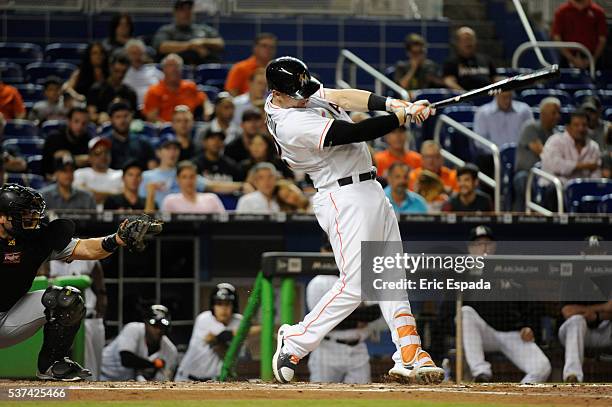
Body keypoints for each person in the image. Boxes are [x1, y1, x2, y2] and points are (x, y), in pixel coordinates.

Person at [263, 56, 442, 384]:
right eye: (297, 93)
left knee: (391, 275)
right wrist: (398, 119)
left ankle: (409, 351)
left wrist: (393, 103)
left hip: (369, 188)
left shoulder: (297, 91)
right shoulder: (289, 123)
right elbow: (352, 131)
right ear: (277, 93)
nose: (305, 95)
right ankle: (296, 339)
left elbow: (343, 98)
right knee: (357, 284)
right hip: (342, 196)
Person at [0, 183, 161, 380]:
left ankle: (51, 365)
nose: (30, 217)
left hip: (10, 316)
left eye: (32, 212)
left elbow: (86, 248)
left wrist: (117, 239)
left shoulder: (37, 238)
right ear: (1, 217)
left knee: (67, 299)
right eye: (23, 213)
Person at [461, 225, 551, 384]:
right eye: (478, 244)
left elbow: (531, 305)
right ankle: (481, 373)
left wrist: (530, 326)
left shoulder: (509, 268)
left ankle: (519, 396)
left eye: (487, 243)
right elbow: (447, 312)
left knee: (542, 367)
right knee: (466, 312)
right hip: (482, 334)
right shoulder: (463, 274)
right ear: (470, 249)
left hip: (512, 333)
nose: (483, 248)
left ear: (494, 246)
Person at [306, 242, 381, 383]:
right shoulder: (318, 282)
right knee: (321, 399)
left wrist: (338, 315)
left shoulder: (362, 278)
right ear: (322, 250)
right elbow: (321, 321)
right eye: (330, 248)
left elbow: (374, 312)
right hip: (327, 349)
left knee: (363, 397)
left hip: (358, 349)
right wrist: (358, 316)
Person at [558, 236, 612, 383]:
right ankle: (572, 376)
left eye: (598, 253)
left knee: (579, 317)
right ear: (582, 254)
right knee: (576, 320)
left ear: (605, 255)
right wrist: (600, 309)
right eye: (591, 252)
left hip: (604, 331)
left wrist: (597, 316)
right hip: (576, 334)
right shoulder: (573, 275)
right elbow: (567, 311)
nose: (595, 256)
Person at [45, 259, 107, 381]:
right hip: (67, 321)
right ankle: (84, 395)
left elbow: (100, 284)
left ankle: (95, 395)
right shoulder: (47, 262)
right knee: (85, 368)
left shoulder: (86, 257)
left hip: (91, 317)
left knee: (96, 366)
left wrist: (101, 303)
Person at [175, 284, 242, 381]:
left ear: (234, 306)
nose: (223, 308)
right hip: (188, 378)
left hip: (213, 381)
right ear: (213, 306)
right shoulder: (205, 319)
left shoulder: (238, 321)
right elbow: (224, 336)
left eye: (227, 303)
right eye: (219, 303)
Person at [100, 305, 178, 381]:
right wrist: (153, 365)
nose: (158, 330)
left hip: (128, 382)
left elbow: (165, 379)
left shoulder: (170, 350)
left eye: (161, 326)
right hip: (103, 375)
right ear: (145, 323)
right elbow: (126, 359)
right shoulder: (133, 329)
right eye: (154, 325)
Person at [513, 97, 561, 211]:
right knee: (523, 180)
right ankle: (522, 217)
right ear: (543, 114)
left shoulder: (557, 134)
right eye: (554, 113)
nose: (558, 116)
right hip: (527, 172)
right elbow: (542, 153)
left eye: (559, 113)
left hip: (548, 174)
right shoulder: (531, 127)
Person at [473, 90, 533, 177]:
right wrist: (500, 153)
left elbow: (530, 135)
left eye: (509, 97)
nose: (507, 101)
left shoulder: (524, 110)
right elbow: (479, 141)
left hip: (519, 157)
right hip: (493, 158)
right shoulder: (483, 113)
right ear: (496, 95)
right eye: (504, 97)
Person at [152, 0, 224, 65]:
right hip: (176, 71)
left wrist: (202, 42)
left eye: (189, 9)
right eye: (182, 9)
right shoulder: (167, 30)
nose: (187, 13)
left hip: (202, 68)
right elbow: (162, 46)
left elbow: (220, 43)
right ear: (175, 12)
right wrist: (190, 45)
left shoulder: (203, 29)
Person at [541, 110, 601, 185]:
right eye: (576, 125)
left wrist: (590, 186)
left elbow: (596, 171)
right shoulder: (555, 141)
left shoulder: (593, 146)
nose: (581, 129)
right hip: (556, 186)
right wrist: (584, 166)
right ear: (568, 127)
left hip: (583, 189)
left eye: (584, 125)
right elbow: (556, 166)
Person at [143, 53, 207, 123]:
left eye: (177, 66)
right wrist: (172, 127)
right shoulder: (154, 90)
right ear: (164, 69)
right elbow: (152, 117)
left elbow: (204, 99)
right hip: (164, 129)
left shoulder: (190, 87)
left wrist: (207, 111)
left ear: (181, 69)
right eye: (170, 65)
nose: (174, 69)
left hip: (189, 127)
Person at [551, 0, 607, 69]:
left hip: (593, 61)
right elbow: (556, 38)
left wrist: (592, 59)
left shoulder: (598, 12)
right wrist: (571, 59)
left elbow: (602, 39)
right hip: (567, 61)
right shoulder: (561, 11)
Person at [104, 101, 156, 171]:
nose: (122, 120)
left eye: (126, 116)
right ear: (111, 119)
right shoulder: (104, 143)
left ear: (131, 117)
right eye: (118, 117)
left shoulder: (143, 143)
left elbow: (152, 170)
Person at [41, 106, 91, 178]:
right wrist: (75, 159)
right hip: (53, 179)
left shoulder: (88, 139)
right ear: (69, 121)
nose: (80, 126)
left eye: (84, 123)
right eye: (76, 121)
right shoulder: (54, 137)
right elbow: (48, 166)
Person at [87, 54, 138, 125]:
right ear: (110, 68)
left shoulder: (130, 92)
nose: (120, 75)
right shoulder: (96, 89)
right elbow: (91, 115)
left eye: (123, 72)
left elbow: (134, 116)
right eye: (116, 71)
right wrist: (99, 117)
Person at [73, 137, 123, 206]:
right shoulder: (80, 173)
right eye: (98, 153)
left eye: (106, 152)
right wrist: (113, 195)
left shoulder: (120, 174)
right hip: (85, 215)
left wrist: (89, 190)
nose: (103, 156)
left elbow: (124, 198)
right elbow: (81, 196)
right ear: (90, 157)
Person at [443, 27, 496, 91]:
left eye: (471, 39)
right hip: (464, 98)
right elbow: (449, 82)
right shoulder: (451, 62)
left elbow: (495, 78)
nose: (468, 43)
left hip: (489, 97)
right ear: (457, 43)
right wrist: (465, 95)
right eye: (465, 40)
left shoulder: (486, 59)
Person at [161, 160, 225, 213]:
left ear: (196, 178)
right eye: (184, 177)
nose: (188, 181)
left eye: (192, 176)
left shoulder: (212, 198)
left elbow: (224, 222)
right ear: (178, 179)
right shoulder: (170, 200)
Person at [123, 39, 164, 108]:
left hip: (155, 108)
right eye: (133, 53)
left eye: (140, 53)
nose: (137, 57)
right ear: (127, 55)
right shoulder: (122, 73)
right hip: (132, 110)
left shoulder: (154, 71)